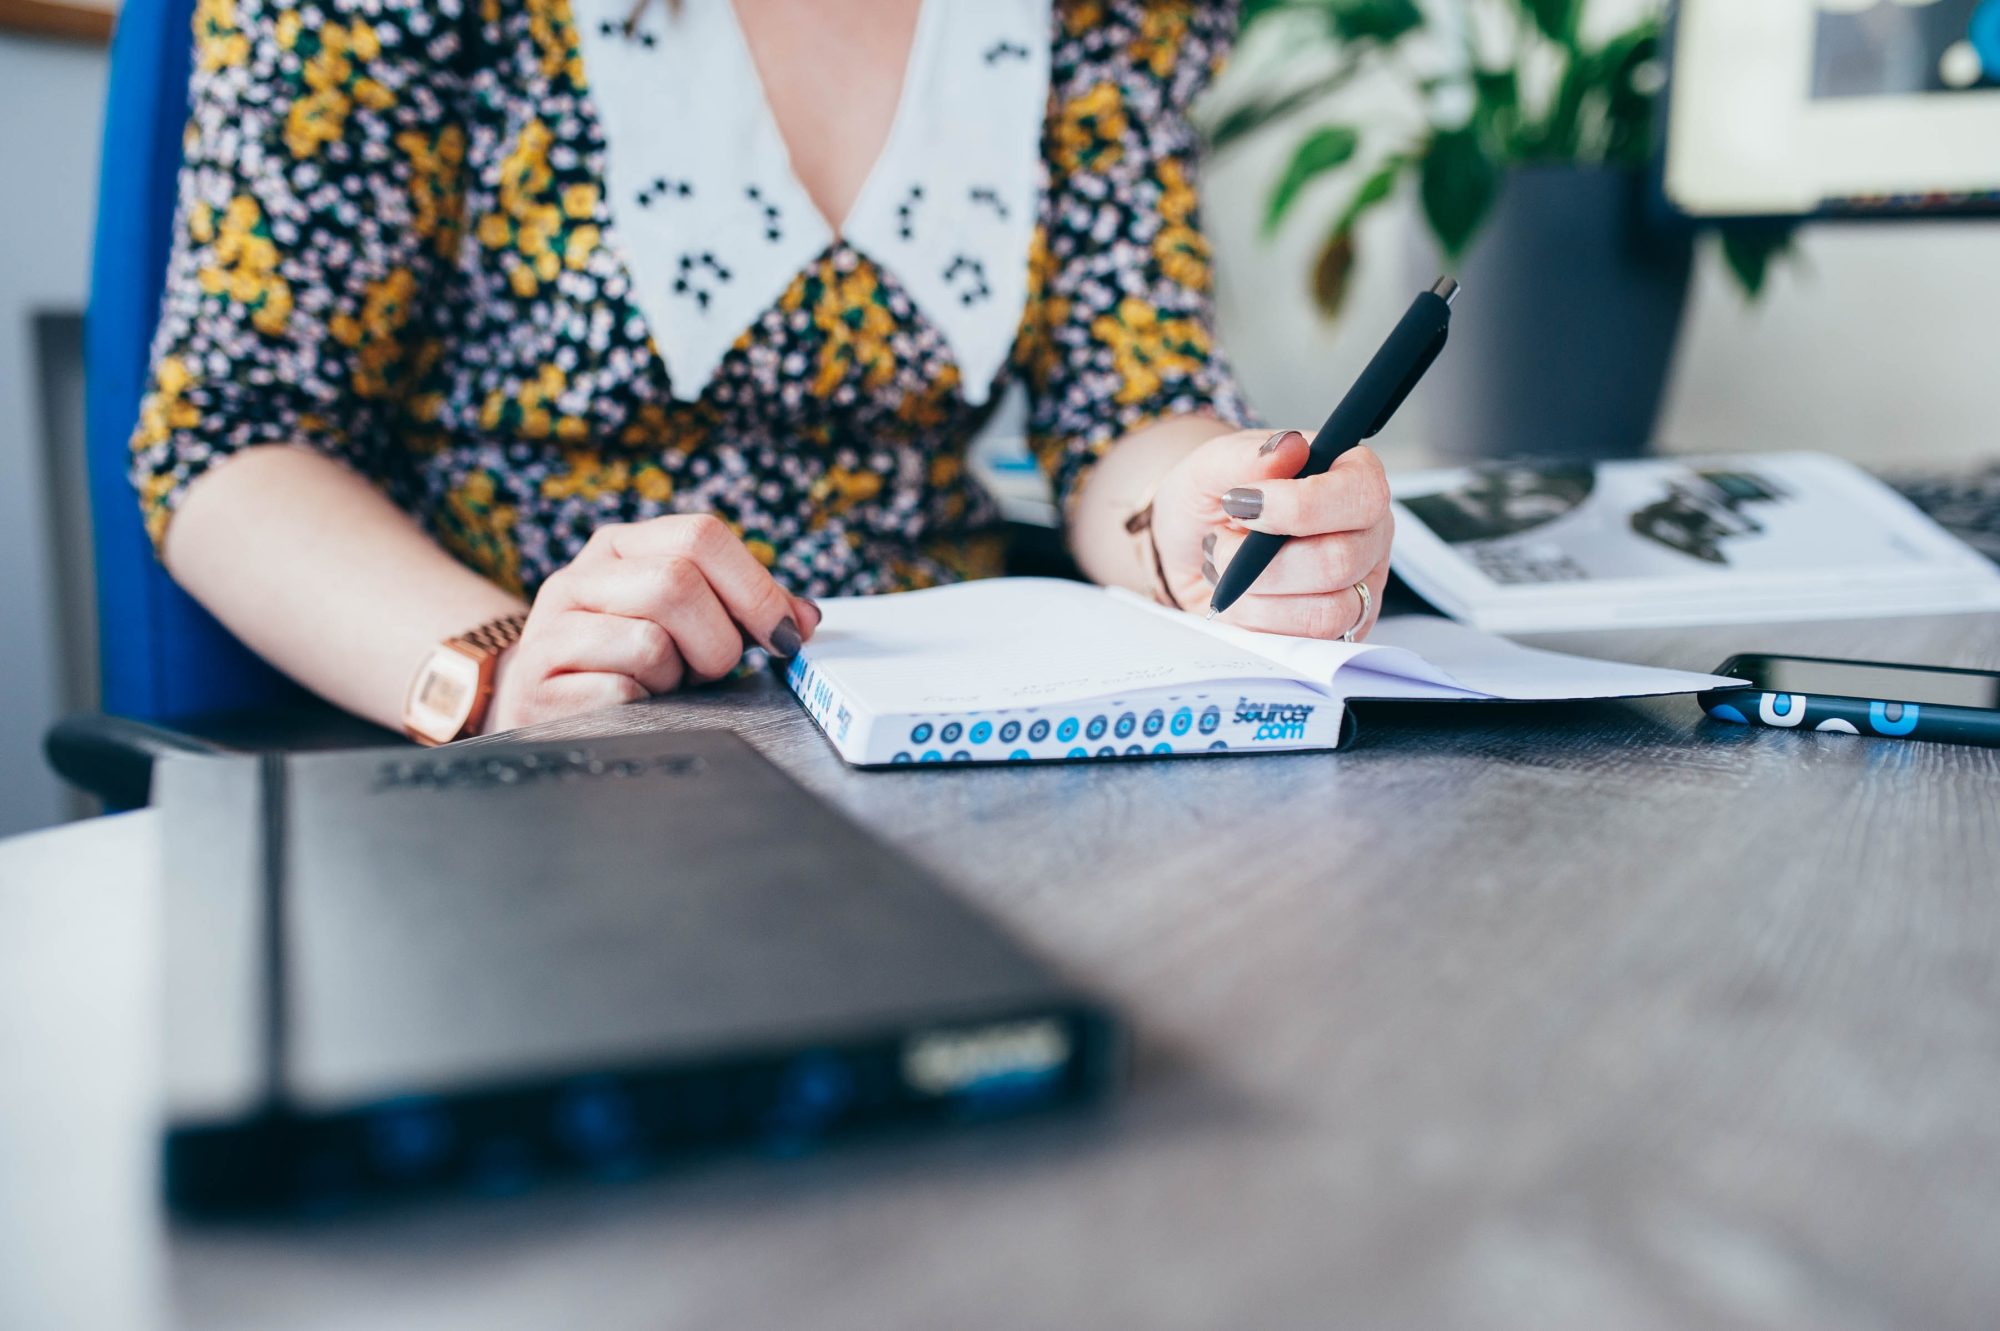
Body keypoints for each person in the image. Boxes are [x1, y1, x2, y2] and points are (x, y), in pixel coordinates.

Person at [132, 0, 1395, 743]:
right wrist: (504, 670)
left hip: (942, 754)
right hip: (541, 783)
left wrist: (1198, 515)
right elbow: (233, 439)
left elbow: (1127, 399)